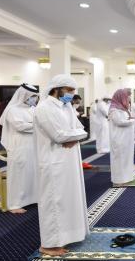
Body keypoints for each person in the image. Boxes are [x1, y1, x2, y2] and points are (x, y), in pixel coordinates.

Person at [34, 74, 89, 256]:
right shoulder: (44, 108)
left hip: (69, 160)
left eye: (74, 91)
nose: (72, 94)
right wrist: (73, 135)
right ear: (57, 89)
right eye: (69, 90)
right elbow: (59, 136)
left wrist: (73, 136)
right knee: (54, 200)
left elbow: (82, 130)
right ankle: (48, 245)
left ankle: (67, 235)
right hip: (53, 161)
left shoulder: (67, 107)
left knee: (67, 199)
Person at [0, 84, 39, 214]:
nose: (34, 99)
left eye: (35, 97)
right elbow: (20, 126)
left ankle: (32, 198)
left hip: (33, 145)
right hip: (19, 146)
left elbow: (40, 123)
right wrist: (36, 125)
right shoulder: (12, 110)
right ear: (24, 96)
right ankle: (14, 204)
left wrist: (33, 125)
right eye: (32, 96)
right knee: (18, 174)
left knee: (32, 172)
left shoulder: (33, 109)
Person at [109, 89, 135, 187]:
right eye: (127, 96)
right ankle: (118, 181)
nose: (128, 98)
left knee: (126, 159)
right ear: (120, 97)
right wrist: (132, 121)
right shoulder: (114, 109)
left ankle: (126, 178)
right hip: (119, 139)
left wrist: (131, 119)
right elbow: (119, 122)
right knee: (119, 160)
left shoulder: (124, 109)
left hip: (126, 139)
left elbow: (127, 119)